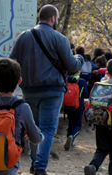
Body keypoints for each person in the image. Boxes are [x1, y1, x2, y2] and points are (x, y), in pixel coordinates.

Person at [9, 4, 83, 175]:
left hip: (29, 90)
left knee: (33, 128)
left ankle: (34, 163)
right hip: (52, 91)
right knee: (48, 129)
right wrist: (79, 59)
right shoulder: (60, 38)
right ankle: (40, 168)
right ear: (53, 18)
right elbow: (72, 66)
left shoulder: (23, 37)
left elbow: (12, 64)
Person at [0, 58, 44, 175]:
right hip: (9, 166)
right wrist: (40, 136)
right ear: (19, 81)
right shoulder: (22, 107)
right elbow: (35, 138)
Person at [84, 59, 112, 175]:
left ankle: (93, 166)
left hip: (100, 121)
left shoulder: (100, 84)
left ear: (106, 73)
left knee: (101, 149)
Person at [64, 70, 89, 150]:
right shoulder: (81, 81)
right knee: (77, 124)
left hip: (67, 106)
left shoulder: (66, 80)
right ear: (78, 71)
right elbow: (85, 94)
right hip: (78, 105)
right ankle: (72, 136)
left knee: (71, 122)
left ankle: (68, 138)